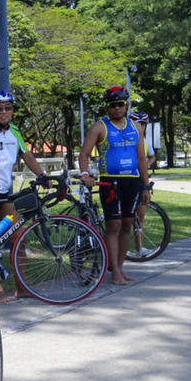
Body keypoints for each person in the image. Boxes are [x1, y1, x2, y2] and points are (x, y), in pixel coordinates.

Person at [78, 86, 150, 285]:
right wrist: (85, 174)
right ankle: (115, 271)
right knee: (114, 224)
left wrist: (145, 186)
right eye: (113, 105)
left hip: (132, 181)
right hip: (110, 181)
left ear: (126, 105)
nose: (117, 108)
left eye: (120, 104)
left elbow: (142, 158)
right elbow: (84, 153)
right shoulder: (99, 127)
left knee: (128, 224)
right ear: (107, 107)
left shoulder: (135, 127)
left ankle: (120, 267)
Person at [0, 90, 45, 302]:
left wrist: (42, 175)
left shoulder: (15, 132)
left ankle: (22, 286)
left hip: (7, 195)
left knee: (18, 236)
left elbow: (27, 155)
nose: (4, 112)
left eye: (8, 108)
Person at [128, 110, 157, 256]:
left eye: (143, 124)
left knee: (140, 217)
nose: (140, 126)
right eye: (137, 123)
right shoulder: (126, 140)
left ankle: (140, 248)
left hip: (140, 180)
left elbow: (152, 157)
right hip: (127, 179)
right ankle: (124, 249)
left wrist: (147, 164)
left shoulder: (145, 143)